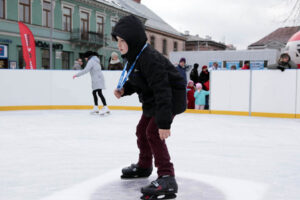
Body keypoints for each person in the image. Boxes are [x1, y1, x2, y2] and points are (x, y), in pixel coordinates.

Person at [112, 15, 186, 200]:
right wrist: (125, 89)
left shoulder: (150, 58)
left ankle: (167, 178)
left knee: (153, 132)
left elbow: (163, 90)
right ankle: (144, 165)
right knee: (141, 130)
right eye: (118, 41)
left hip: (169, 99)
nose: (119, 45)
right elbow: (139, 81)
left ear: (134, 39)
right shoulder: (135, 58)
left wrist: (164, 123)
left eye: (123, 40)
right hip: (154, 100)